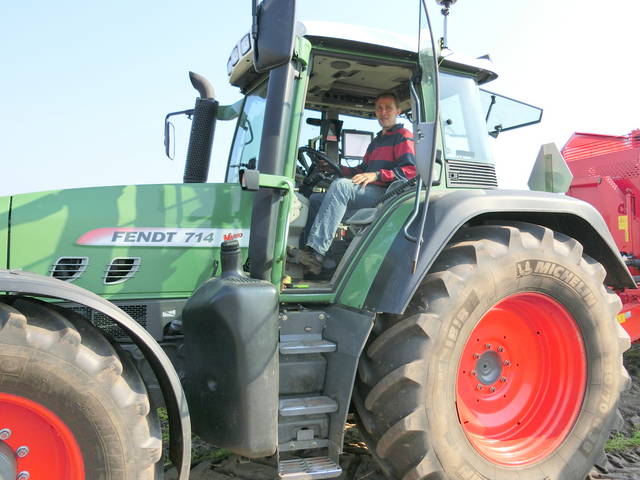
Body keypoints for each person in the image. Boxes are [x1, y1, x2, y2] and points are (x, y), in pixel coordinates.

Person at [297, 92, 416, 275]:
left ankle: (316, 253)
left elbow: (411, 170)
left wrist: (377, 175)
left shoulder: (403, 136)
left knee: (340, 186)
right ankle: (318, 259)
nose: (383, 112)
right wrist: (336, 168)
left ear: (398, 111)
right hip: (368, 191)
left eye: (388, 108)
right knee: (315, 199)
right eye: (379, 108)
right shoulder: (377, 141)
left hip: (387, 195)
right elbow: (361, 170)